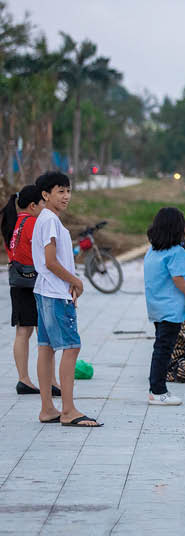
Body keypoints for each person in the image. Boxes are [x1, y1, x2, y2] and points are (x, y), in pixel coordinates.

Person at [30, 171, 100, 427]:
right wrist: (75, 281)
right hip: (54, 292)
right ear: (46, 195)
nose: (66, 196)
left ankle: (48, 408)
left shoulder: (47, 219)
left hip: (45, 290)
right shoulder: (49, 221)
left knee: (46, 349)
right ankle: (68, 410)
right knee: (71, 348)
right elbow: (50, 262)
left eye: (68, 191)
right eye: (60, 191)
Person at [1, 185, 59, 397]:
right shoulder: (35, 223)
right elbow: (45, 255)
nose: (45, 208)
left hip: (17, 282)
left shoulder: (12, 222)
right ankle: (51, 381)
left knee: (22, 331)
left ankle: (23, 379)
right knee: (45, 333)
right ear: (34, 205)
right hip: (35, 282)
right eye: (43, 203)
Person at [144, 207, 185, 406]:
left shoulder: (152, 250)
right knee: (163, 350)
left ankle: (156, 389)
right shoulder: (177, 252)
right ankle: (158, 391)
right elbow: (178, 279)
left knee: (160, 348)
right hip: (171, 309)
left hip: (156, 307)